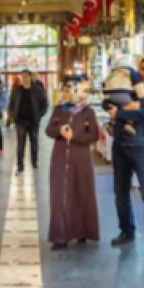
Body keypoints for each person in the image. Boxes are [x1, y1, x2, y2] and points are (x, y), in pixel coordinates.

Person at [105, 57, 144, 257]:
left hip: (141, 149)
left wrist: (120, 113)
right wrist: (126, 108)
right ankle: (126, 231)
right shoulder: (127, 87)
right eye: (142, 69)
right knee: (120, 193)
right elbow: (107, 101)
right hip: (120, 146)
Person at [45, 82, 101, 249]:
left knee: (81, 192)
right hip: (60, 158)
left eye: (68, 92)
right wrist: (60, 131)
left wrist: (74, 135)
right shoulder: (59, 110)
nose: (65, 95)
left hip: (81, 159)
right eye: (64, 92)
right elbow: (48, 130)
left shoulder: (87, 112)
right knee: (59, 195)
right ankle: (60, 236)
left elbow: (94, 135)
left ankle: (82, 231)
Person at [8, 70, 48, 174]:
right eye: (22, 77)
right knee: (21, 144)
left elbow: (45, 103)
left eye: (26, 76)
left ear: (30, 77)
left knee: (34, 143)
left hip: (33, 121)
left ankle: (34, 162)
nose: (24, 79)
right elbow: (11, 104)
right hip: (20, 121)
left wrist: (39, 115)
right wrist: (12, 115)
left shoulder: (38, 90)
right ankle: (20, 165)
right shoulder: (16, 90)